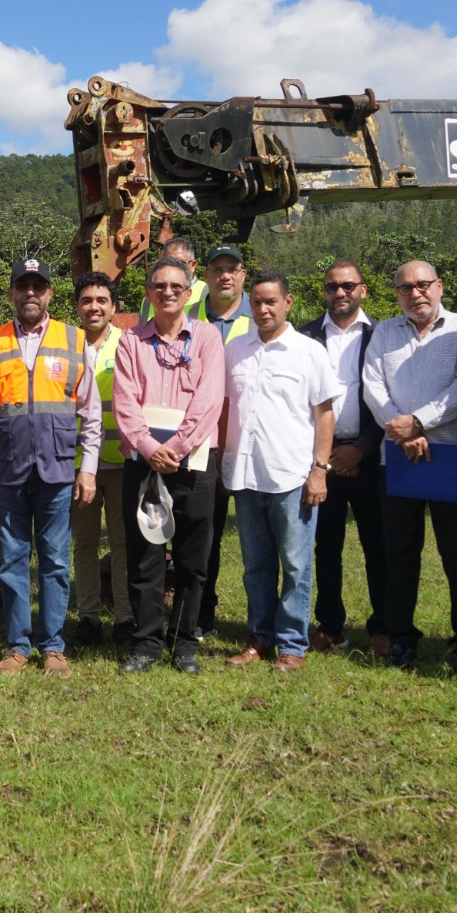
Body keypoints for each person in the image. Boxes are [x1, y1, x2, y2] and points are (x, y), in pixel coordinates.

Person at [0, 259, 101, 677]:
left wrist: (88, 468)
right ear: (11, 294)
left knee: (57, 559)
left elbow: (90, 413)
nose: (30, 294)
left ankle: (53, 645)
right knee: (11, 558)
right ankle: (17, 644)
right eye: (22, 287)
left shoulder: (75, 340)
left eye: (37, 287)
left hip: (58, 471)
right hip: (6, 471)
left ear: (49, 295)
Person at [362, 261, 457, 672]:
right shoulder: (385, 332)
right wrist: (401, 428)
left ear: (440, 286)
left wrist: (420, 421)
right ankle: (401, 638)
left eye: (423, 285)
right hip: (397, 456)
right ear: (396, 293)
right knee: (400, 551)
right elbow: (373, 385)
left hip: (453, 458)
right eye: (405, 288)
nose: (415, 294)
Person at [222, 271, 342, 674]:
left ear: (288, 302)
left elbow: (325, 416)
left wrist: (320, 470)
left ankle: (292, 643)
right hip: (246, 475)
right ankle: (259, 637)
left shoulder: (309, 351)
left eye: (271, 301)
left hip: (291, 476)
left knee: (295, 564)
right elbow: (225, 411)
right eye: (256, 302)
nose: (263, 309)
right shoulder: (235, 349)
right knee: (256, 565)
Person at [113, 256, 225, 675]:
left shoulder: (209, 339)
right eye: (159, 286)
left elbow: (209, 401)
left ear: (189, 290)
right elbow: (124, 403)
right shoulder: (130, 341)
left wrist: (175, 448)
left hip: (194, 464)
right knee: (145, 555)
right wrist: (147, 447)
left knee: (194, 559)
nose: (168, 292)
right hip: (143, 464)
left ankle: (184, 645)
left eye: (176, 286)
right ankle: (146, 645)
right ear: (148, 293)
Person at [297, 261, 388, 653]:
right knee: (325, 545)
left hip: (369, 455)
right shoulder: (305, 337)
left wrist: (362, 447)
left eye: (348, 286)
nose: (340, 293)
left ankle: (383, 627)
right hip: (320, 459)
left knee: (378, 545)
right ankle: (330, 624)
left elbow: (392, 396)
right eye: (332, 287)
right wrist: (327, 455)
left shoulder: (383, 336)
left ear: (363, 290)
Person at [191, 244, 252, 641]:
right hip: (204, 445)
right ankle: (201, 614)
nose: (225, 276)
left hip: (249, 446)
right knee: (204, 537)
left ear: (243, 274)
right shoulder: (190, 317)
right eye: (217, 269)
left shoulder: (262, 313)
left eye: (232, 269)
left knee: (256, 539)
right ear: (206, 276)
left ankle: (260, 620)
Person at [68, 273, 131, 648]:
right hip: (77, 465)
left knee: (123, 545)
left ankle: (124, 617)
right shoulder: (66, 345)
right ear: (77, 306)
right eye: (87, 300)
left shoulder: (130, 344)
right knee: (85, 544)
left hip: (122, 462)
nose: (94, 306)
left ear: (113, 306)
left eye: (102, 300)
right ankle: (88, 618)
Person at [136, 236, 208, 319]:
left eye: (181, 263)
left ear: (193, 265)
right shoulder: (148, 300)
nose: (174, 268)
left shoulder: (208, 293)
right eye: (168, 262)